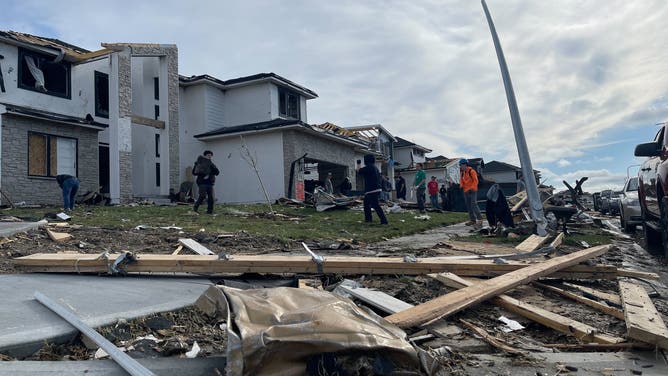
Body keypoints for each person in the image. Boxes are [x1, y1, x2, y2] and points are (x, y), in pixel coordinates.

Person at [356, 154, 388, 224]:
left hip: (371, 190)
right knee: (366, 204)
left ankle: (384, 221)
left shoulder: (368, 167)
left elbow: (359, 171)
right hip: (376, 189)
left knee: (375, 205)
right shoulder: (375, 168)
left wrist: (358, 163)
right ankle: (368, 219)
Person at [459, 158, 482, 227]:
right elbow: (461, 181)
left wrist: (472, 188)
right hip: (466, 191)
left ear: (465, 164)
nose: (460, 166)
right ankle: (472, 220)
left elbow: (476, 181)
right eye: (460, 165)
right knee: (469, 206)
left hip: (472, 191)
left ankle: (480, 220)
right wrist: (461, 186)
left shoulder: (472, 171)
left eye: (461, 165)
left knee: (474, 205)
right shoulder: (462, 173)